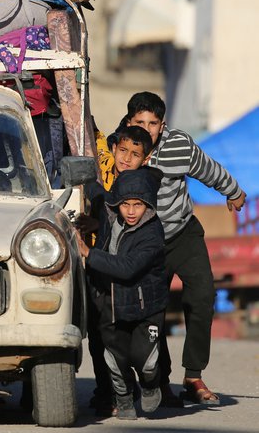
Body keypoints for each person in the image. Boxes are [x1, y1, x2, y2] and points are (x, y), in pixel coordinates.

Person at [119, 91, 246, 405]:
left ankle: (194, 375)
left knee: (203, 294)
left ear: (163, 125)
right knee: (153, 314)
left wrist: (233, 191)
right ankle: (159, 381)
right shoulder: (122, 150)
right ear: (129, 122)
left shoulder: (179, 145)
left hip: (182, 233)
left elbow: (208, 168)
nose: (147, 129)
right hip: (145, 243)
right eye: (140, 122)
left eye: (153, 123)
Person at [76, 167, 169, 420]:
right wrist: (81, 177)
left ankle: (150, 385)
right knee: (116, 359)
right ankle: (124, 397)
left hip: (145, 306)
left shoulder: (152, 234)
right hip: (111, 302)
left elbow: (127, 268)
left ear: (148, 205)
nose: (130, 211)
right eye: (125, 204)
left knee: (145, 361)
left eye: (138, 204)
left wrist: (88, 252)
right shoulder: (109, 214)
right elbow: (95, 189)